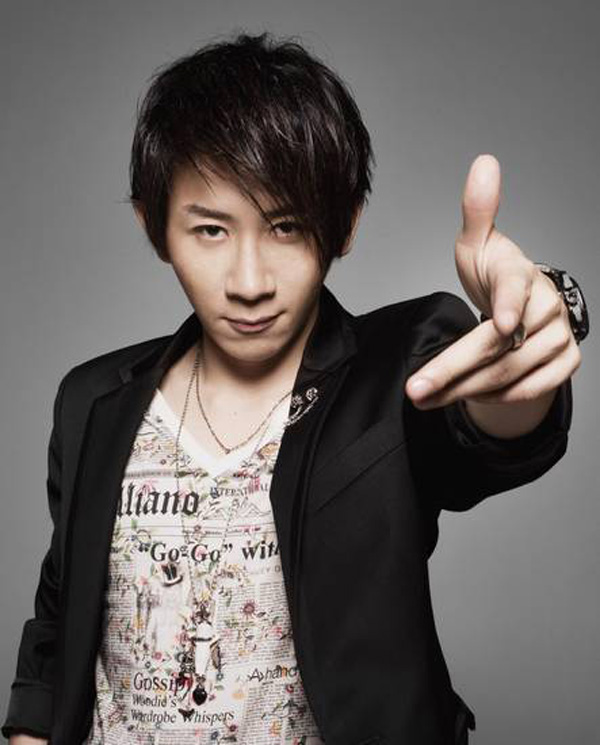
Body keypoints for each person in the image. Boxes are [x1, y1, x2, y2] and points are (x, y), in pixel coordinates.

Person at [2, 30, 586, 745]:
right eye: (211, 231)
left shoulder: (396, 370)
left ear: (344, 226)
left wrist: (523, 348)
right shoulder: (93, 401)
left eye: (285, 227)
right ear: (153, 227)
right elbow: (61, 619)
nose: (249, 283)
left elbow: (484, 428)